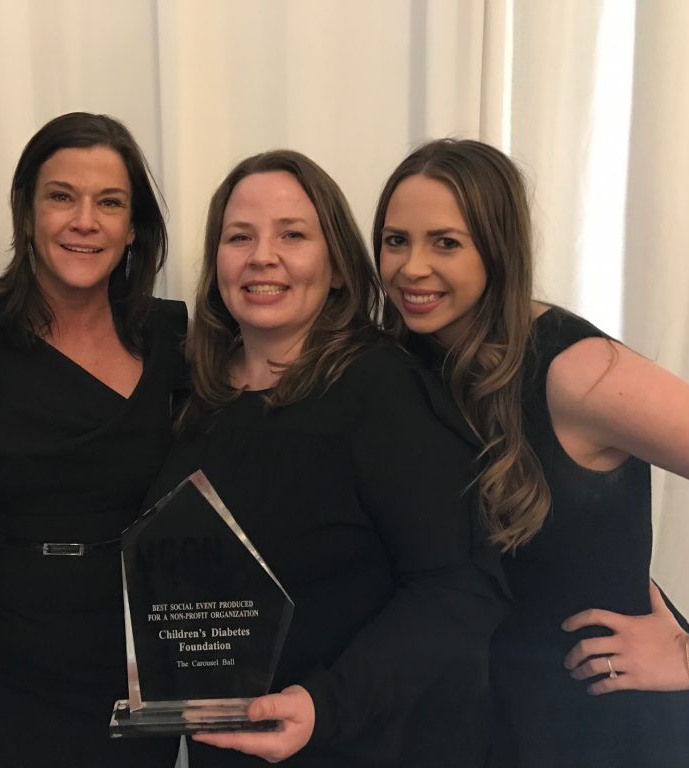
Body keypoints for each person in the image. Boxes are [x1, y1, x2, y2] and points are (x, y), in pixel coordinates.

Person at [144, 150, 507, 767]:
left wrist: (324, 705)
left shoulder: (382, 390)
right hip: (228, 749)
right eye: (240, 237)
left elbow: (460, 589)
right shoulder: (195, 396)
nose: (263, 255)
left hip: (358, 744)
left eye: (293, 235)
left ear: (337, 265)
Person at [372, 138, 689, 767]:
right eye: (396, 241)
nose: (411, 268)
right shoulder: (409, 362)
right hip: (489, 722)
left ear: (497, 250)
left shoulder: (577, 370)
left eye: (445, 242)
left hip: (605, 724)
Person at [0, 112, 184, 767]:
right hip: (2, 659)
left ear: (133, 226)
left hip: (137, 664)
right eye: (62, 196)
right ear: (26, 212)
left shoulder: (174, 337)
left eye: (109, 203)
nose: (85, 220)